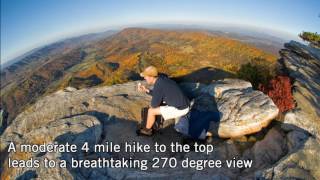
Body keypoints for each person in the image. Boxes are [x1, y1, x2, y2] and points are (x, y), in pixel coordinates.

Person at [137, 66, 190, 136]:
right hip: (183, 103)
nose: (144, 78)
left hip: (181, 109)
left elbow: (154, 105)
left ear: (151, 76)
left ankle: (146, 131)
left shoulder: (158, 85)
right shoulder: (162, 79)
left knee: (151, 111)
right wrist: (146, 90)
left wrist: (155, 101)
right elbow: (159, 92)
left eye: (145, 76)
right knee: (158, 105)